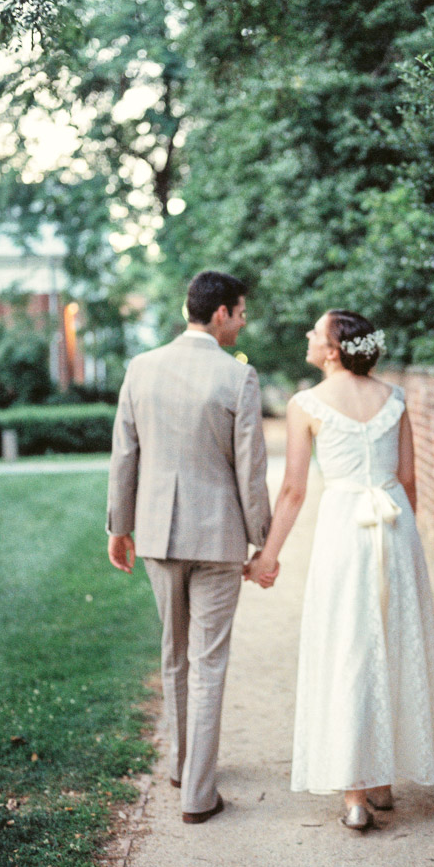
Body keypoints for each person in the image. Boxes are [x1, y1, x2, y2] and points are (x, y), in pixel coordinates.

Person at [245, 309, 434, 830]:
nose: (309, 337)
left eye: (316, 332)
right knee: (391, 641)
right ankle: (381, 782)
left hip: (344, 532)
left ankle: (356, 794)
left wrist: (268, 556)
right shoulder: (394, 399)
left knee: (348, 649)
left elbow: (293, 490)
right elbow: (408, 480)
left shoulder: (305, 404)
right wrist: (404, 540)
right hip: (395, 527)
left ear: (334, 350)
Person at [107, 270, 271, 824]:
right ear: (220, 312)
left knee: (174, 653)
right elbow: (250, 471)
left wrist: (119, 527)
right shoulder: (238, 377)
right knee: (207, 662)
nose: (244, 321)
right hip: (219, 537)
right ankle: (198, 796)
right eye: (241, 312)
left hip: (156, 533)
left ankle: (182, 768)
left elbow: (124, 454)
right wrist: (262, 542)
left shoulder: (141, 368)